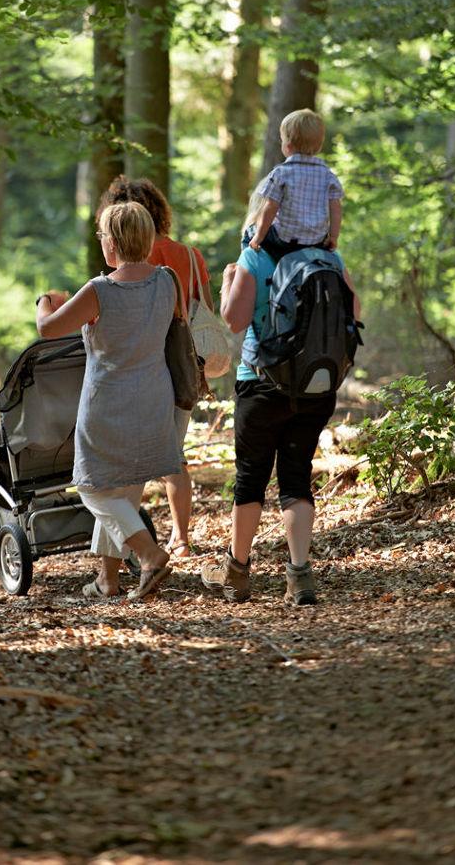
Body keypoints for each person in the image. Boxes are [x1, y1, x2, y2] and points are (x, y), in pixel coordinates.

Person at [201, 243, 360, 605]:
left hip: (262, 384)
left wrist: (229, 282)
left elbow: (233, 320)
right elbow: (355, 311)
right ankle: (300, 577)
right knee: (296, 477)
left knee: (251, 477)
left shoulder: (255, 255)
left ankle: (237, 573)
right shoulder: (329, 257)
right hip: (315, 385)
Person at [36, 201, 178, 600]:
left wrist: (45, 300)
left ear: (111, 243)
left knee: (93, 489)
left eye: (102, 237)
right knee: (125, 494)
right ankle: (108, 580)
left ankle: (149, 555)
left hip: (108, 403)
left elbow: (48, 328)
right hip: (153, 398)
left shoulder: (101, 290)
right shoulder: (167, 280)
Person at [97, 175, 214, 560]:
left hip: (141, 368)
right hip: (184, 367)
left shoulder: (136, 258)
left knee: (127, 464)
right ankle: (180, 539)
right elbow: (204, 310)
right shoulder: (190, 255)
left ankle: (125, 555)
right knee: (173, 457)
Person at [246, 109, 344, 260]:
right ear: (319, 147)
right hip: (317, 242)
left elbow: (270, 207)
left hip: (285, 243)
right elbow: (336, 208)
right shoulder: (328, 176)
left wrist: (258, 238)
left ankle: (252, 275)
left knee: (249, 233)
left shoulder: (281, 174)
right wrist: (333, 237)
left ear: (288, 146)